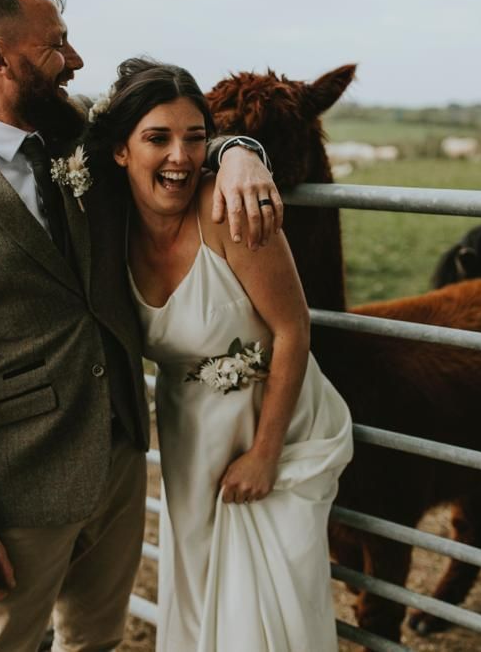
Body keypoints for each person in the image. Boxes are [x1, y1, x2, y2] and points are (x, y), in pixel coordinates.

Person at [0, 0, 282, 651]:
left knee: (96, 641)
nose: (77, 60)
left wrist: (241, 153)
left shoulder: (86, 134)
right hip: (19, 479)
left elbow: (176, 128)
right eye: (56, 44)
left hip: (121, 451)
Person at [80, 57, 354, 652]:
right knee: (202, 589)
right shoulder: (107, 224)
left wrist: (264, 454)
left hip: (280, 425)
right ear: (122, 150)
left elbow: (293, 331)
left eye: (197, 138)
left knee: (269, 604)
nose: (180, 156)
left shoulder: (230, 212)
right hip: (191, 433)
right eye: (158, 138)